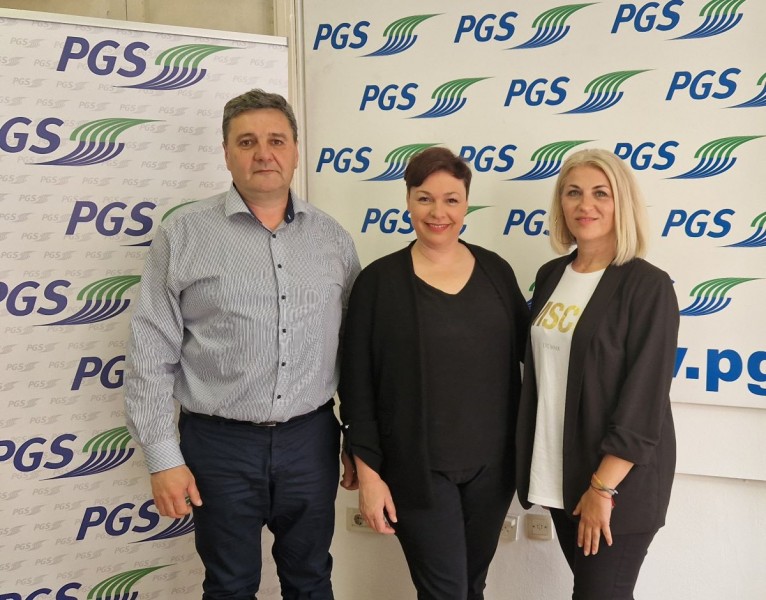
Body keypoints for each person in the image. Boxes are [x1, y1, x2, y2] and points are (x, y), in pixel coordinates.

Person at [124, 88, 360, 600]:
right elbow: (150, 352)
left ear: (295, 150)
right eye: (247, 142)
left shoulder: (334, 240)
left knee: (311, 581)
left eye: (276, 140)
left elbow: (356, 353)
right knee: (229, 586)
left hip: (311, 443)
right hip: (218, 448)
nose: (263, 154)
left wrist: (359, 442)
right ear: (227, 153)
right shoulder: (182, 235)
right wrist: (162, 457)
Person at [339, 147, 529, 600]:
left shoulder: (497, 273)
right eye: (424, 198)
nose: (437, 213)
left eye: (451, 200)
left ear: (466, 204)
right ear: (408, 201)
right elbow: (357, 386)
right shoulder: (378, 283)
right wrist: (369, 474)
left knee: (471, 586)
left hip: (492, 471)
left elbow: (533, 359)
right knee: (444, 591)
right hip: (415, 471)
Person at [515, 148, 679, 599]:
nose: (585, 205)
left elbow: (644, 397)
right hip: (560, 476)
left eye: (600, 193)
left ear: (621, 203)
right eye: (573, 193)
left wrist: (602, 487)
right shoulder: (551, 275)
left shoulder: (647, 286)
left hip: (615, 484)